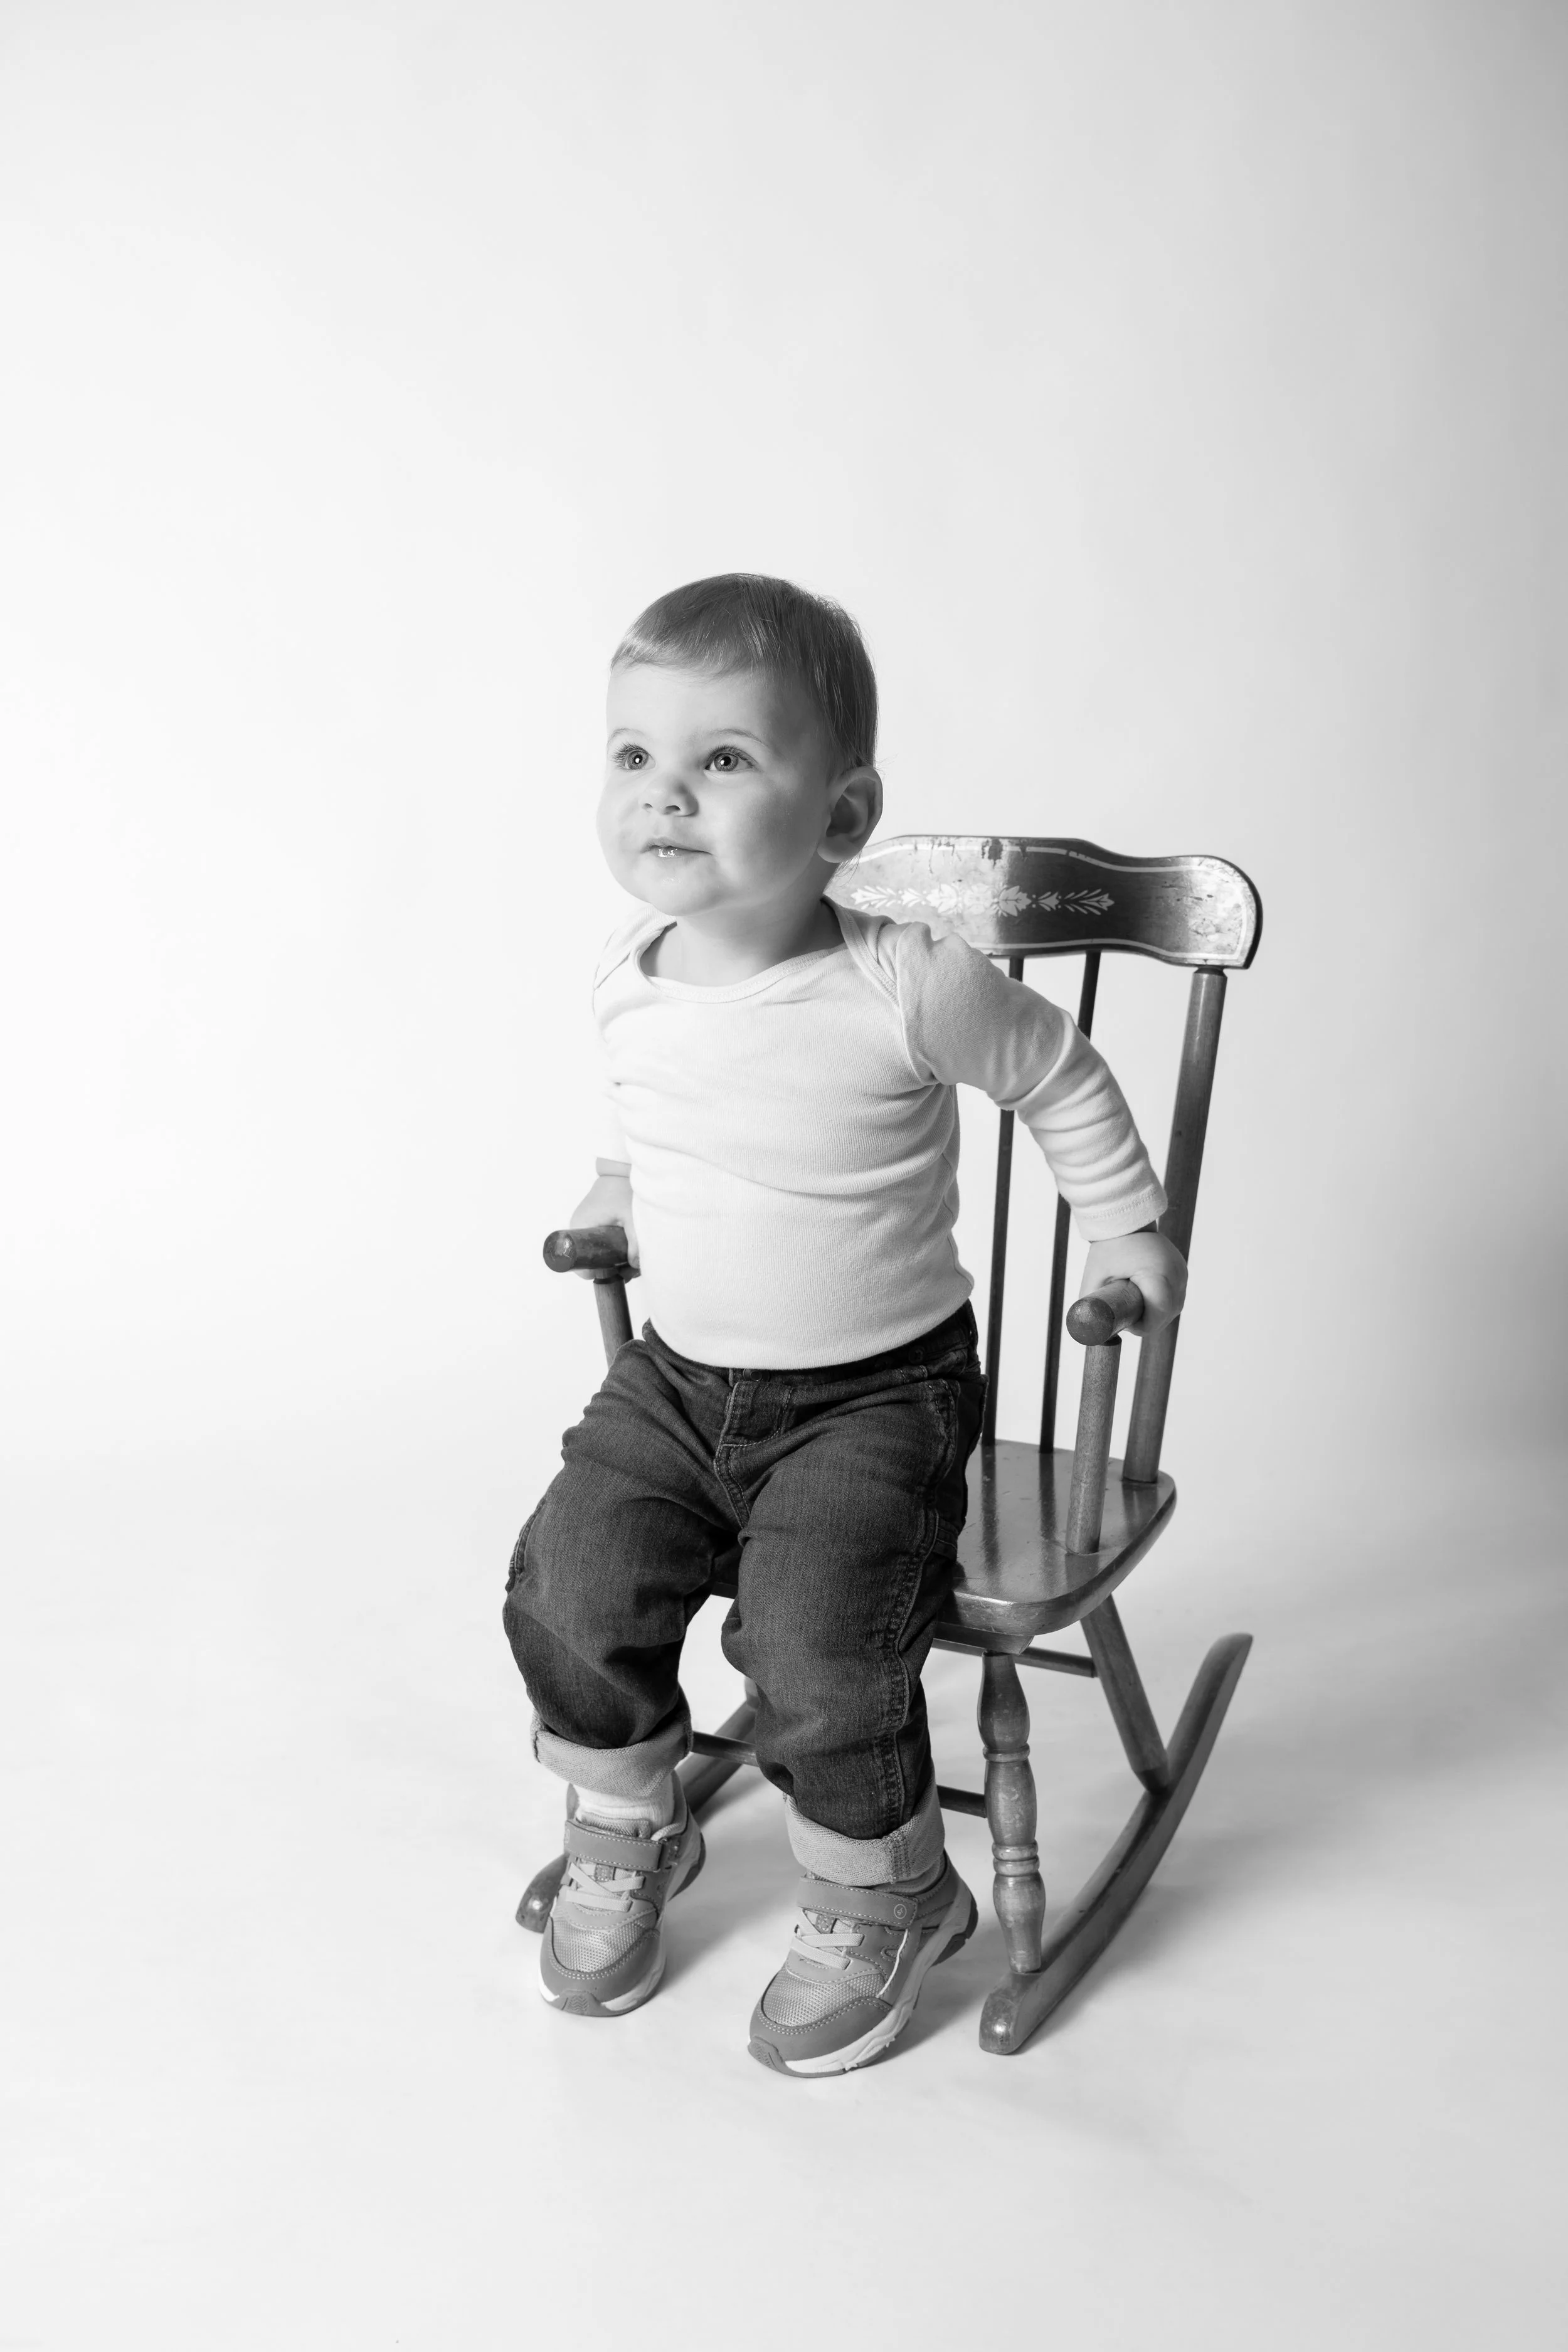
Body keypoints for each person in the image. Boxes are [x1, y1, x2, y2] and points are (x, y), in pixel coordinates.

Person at [504, 573, 1186, 2075]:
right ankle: (626, 1815)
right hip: (680, 1382)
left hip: (876, 1398)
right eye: (631, 755)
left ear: (844, 813)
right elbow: (643, 1129)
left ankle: (883, 1891)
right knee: (570, 1573)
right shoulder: (626, 975)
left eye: (722, 759)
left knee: (814, 1640)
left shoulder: (904, 980)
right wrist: (615, 1193)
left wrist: (1131, 1234)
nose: (662, 792)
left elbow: (1058, 1078)